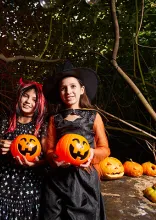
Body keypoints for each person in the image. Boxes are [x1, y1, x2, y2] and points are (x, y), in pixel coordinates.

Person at [0, 78, 48, 220]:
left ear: (40, 104)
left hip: (29, 185)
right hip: (4, 183)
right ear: (19, 97)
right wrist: (0, 147)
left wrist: (36, 163)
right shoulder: (7, 121)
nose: (28, 101)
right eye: (25, 96)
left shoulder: (41, 127)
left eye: (34, 99)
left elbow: (47, 159)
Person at [41, 60, 110, 220]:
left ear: (81, 90)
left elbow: (105, 149)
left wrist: (91, 153)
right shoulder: (54, 119)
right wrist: (54, 158)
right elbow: (49, 150)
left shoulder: (93, 116)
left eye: (73, 86)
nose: (68, 91)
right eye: (63, 88)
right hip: (58, 180)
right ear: (59, 93)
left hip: (84, 179)